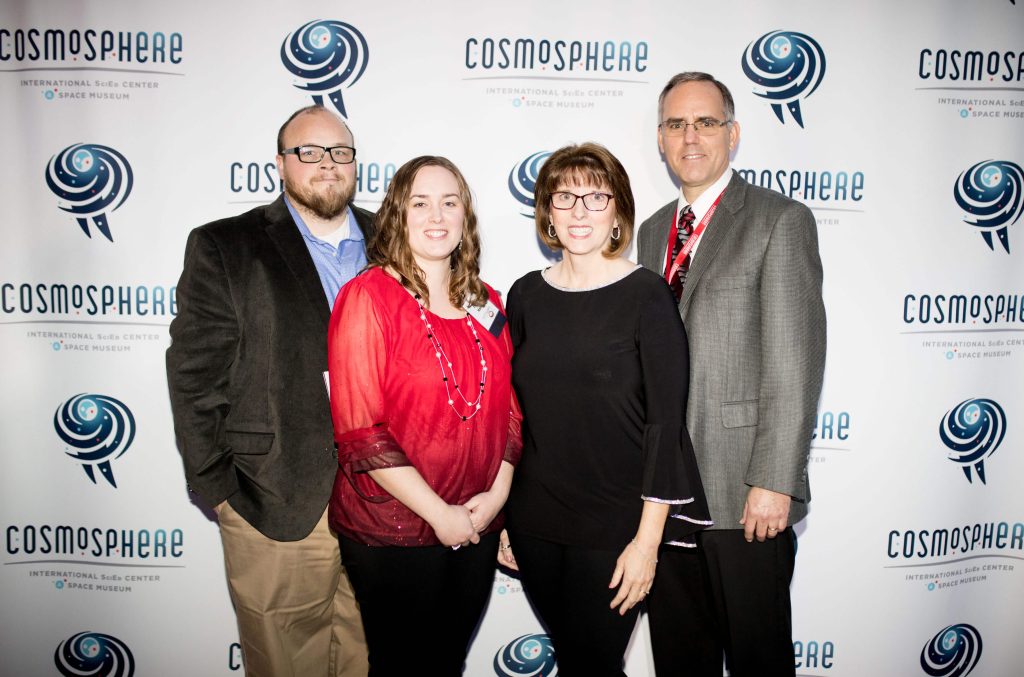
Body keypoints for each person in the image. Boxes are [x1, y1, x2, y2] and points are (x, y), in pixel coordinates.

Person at [166, 104, 371, 677]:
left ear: (356, 163)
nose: (327, 164)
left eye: (340, 152)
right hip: (275, 496)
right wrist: (221, 489)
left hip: (385, 500)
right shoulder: (226, 245)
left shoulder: (396, 238)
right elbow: (194, 374)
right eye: (309, 152)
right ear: (280, 164)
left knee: (370, 656)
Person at [637, 72, 827, 676]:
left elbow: (795, 362)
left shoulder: (779, 220)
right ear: (661, 139)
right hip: (665, 501)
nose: (690, 136)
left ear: (733, 133)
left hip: (744, 496)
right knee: (680, 661)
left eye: (706, 122)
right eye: (676, 124)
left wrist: (773, 480)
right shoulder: (650, 231)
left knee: (757, 660)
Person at [501, 143, 711, 677]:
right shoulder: (524, 296)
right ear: (547, 212)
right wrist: (503, 518)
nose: (579, 211)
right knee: (578, 663)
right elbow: (513, 418)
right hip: (534, 521)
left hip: (618, 526)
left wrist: (647, 543)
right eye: (564, 197)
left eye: (595, 198)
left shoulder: (648, 297)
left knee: (593, 664)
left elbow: (666, 427)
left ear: (617, 213)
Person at [326, 156, 522, 677]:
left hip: (477, 522)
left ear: (464, 216)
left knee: (447, 663)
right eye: (420, 203)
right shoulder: (367, 298)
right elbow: (361, 435)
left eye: (449, 202)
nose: (436, 216)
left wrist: (497, 498)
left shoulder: (488, 302)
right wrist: (439, 514)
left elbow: (512, 415)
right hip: (394, 530)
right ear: (398, 214)